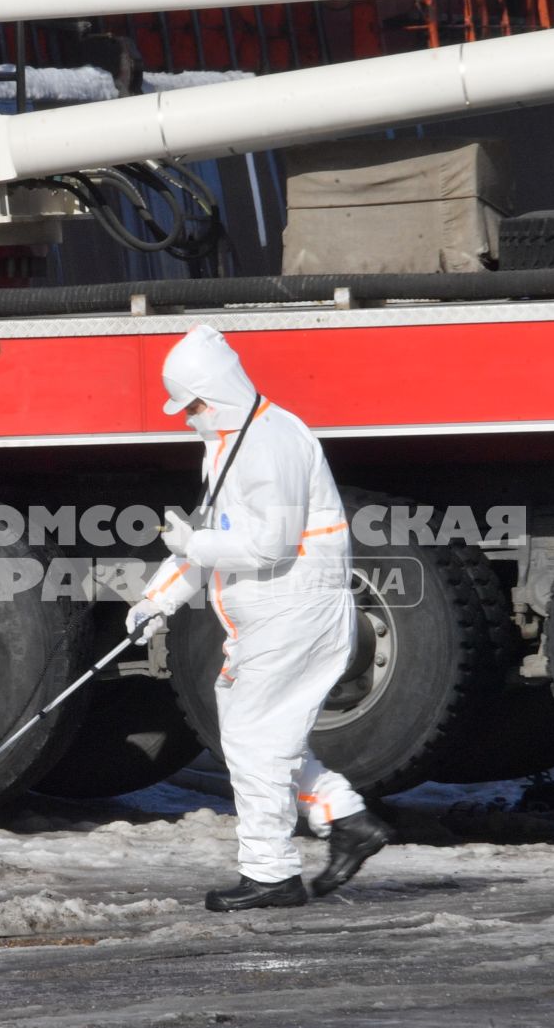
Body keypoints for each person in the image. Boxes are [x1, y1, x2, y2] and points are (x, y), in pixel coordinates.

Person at [127, 325, 392, 911]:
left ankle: (269, 873)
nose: (187, 416)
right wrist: (157, 599)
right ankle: (344, 819)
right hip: (276, 614)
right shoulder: (229, 441)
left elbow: (267, 546)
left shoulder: (267, 442)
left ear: (215, 391)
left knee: (255, 738)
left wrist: (192, 547)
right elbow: (215, 534)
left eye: (192, 404)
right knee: (264, 735)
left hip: (294, 612)